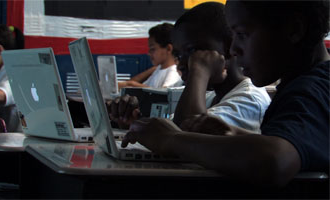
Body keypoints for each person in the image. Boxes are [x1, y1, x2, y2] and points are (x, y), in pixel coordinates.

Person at [121, 0, 330, 187]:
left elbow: (276, 160)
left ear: (293, 30)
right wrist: (235, 135)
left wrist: (172, 139)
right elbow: (304, 147)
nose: (233, 50)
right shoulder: (305, 85)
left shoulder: (311, 90)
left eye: (241, 34)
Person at [108, 2, 271, 133]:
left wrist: (199, 71)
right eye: (178, 56)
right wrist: (136, 122)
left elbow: (184, 137)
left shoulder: (249, 101)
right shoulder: (211, 97)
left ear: (229, 48)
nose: (182, 64)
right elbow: (171, 128)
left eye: (192, 51)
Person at [118, 23, 183, 89]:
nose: (149, 53)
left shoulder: (174, 72)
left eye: (152, 49)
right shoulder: (159, 68)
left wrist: (131, 84)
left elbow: (164, 93)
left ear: (169, 49)